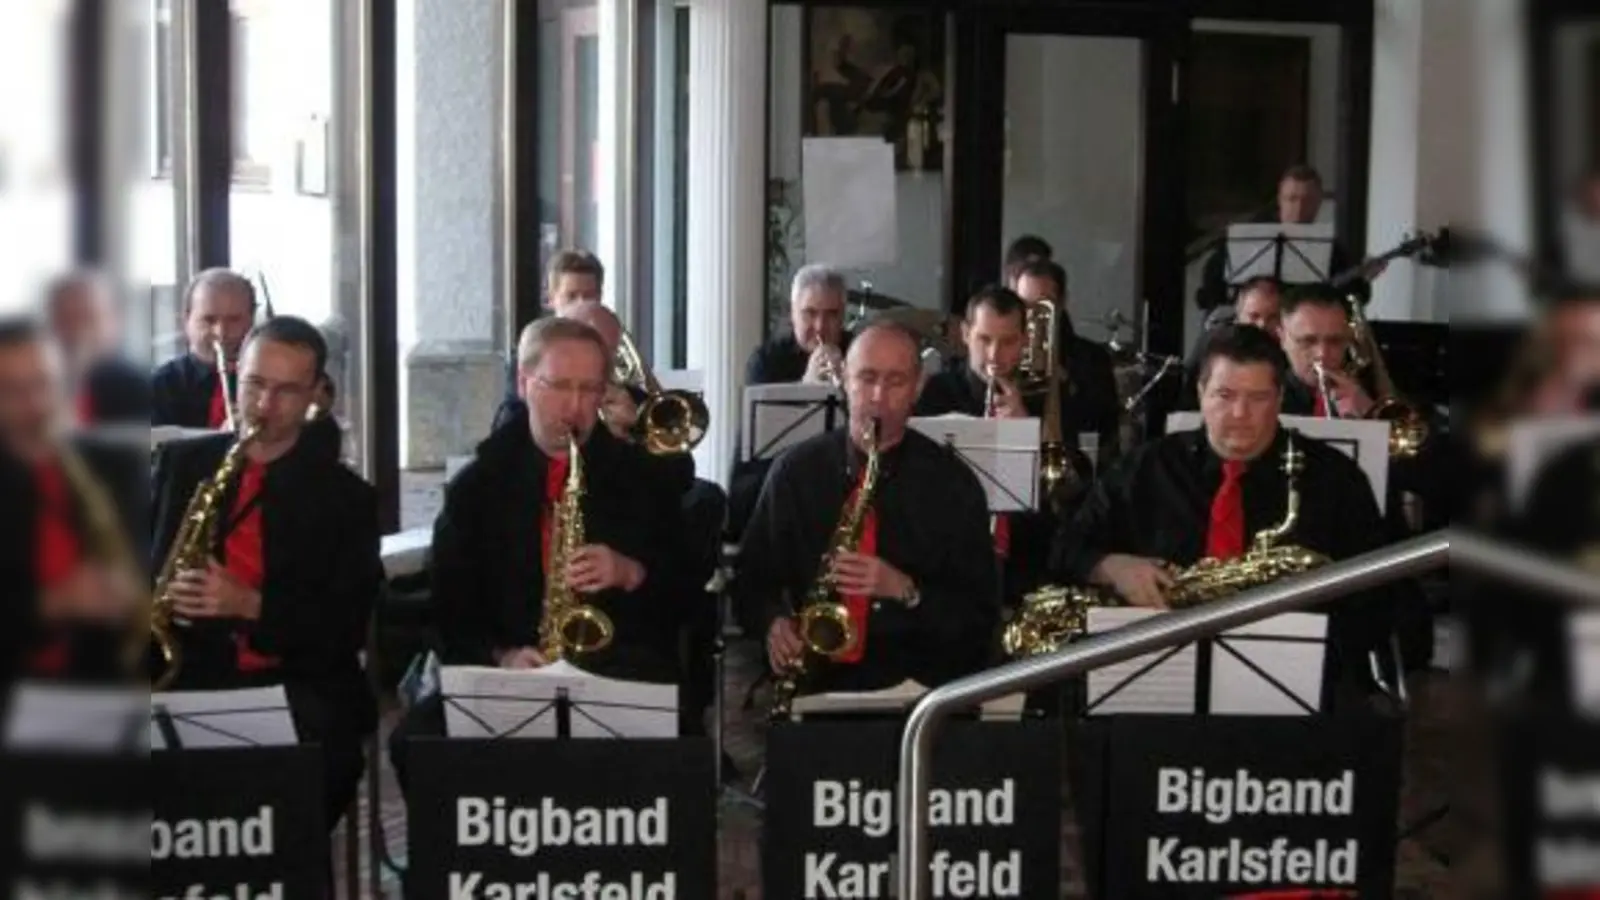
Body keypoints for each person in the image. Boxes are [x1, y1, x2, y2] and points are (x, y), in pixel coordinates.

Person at [390, 318, 684, 785]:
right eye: (560, 386)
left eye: (590, 389)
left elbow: (685, 593)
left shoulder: (643, 479)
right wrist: (500, 656)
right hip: (506, 672)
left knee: (677, 741)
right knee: (415, 743)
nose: (575, 406)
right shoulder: (476, 487)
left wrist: (632, 573)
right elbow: (449, 610)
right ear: (524, 384)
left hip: (617, 669)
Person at [1050, 324, 1395, 708]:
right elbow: (1064, 548)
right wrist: (1109, 566)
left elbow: (1379, 599)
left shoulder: (1334, 478)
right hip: (1154, 683)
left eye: (1258, 397)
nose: (1240, 414)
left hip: (1298, 688)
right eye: (1224, 395)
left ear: (1280, 397)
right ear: (1200, 393)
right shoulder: (1145, 469)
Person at [150, 316, 379, 830]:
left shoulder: (346, 499)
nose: (263, 405)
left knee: (315, 773)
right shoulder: (181, 465)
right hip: (186, 670)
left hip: (298, 682)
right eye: (254, 384)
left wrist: (250, 604)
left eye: (285, 391)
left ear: (316, 396)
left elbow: (344, 627)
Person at [736, 321, 999, 694]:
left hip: (922, 686)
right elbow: (750, 580)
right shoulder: (796, 472)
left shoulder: (952, 484)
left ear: (917, 388)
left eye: (895, 382)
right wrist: (772, 623)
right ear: (844, 379)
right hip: (818, 680)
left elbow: (979, 617)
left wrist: (905, 590)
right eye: (867, 378)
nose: (878, 396)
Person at [915, 286, 1094, 600]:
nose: (995, 355)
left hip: (1027, 556)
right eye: (984, 340)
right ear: (965, 334)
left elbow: (1071, 490)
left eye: (1008, 342)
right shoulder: (935, 395)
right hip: (951, 553)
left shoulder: (1047, 398)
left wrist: (1027, 431)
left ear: (1025, 341)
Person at [0, 316, 146, 682]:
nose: (33, 404)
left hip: (96, 684)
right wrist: (50, 604)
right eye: (11, 390)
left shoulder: (111, 467)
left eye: (42, 384)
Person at [1194, 165, 1370, 313]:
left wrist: (1364, 279)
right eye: (1292, 199)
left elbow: (1356, 297)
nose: (1299, 208)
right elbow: (1213, 274)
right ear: (1280, 199)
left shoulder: (1330, 248)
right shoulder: (1254, 235)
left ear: (1318, 202)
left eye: (1307, 200)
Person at [1007, 258, 1121, 465]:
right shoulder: (1007, 351)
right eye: (1025, 305)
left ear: (1061, 303)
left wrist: (1066, 383)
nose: (1033, 315)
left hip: (1075, 466)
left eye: (1044, 305)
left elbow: (1105, 426)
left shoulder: (1092, 358)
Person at [497, 250, 608, 411]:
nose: (581, 305)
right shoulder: (529, 352)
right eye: (571, 296)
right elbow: (510, 418)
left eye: (589, 296)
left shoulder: (613, 346)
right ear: (551, 299)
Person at [151, 268, 258, 428]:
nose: (221, 333)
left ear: (251, 320)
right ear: (186, 320)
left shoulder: (268, 383)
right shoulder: (159, 386)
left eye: (234, 320)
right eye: (209, 320)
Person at [41, 270, 149, 425]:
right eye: (64, 319)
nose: (76, 331)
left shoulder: (139, 388)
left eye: (87, 319)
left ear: (114, 322)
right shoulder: (29, 388)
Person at [1178, 276, 1285, 409]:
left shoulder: (1289, 350)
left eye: (1272, 318)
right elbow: (1188, 393)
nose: (1262, 325)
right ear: (1238, 316)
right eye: (1254, 316)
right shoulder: (1212, 344)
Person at [1276, 285, 1381, 418]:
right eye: (1308, 341)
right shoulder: (1266, 398)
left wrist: (1370, 416)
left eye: (1335, 341)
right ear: (1282, 338)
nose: (1322, 353)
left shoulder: (1371, 392)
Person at [745, 264, 851, 386]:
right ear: (792, 313)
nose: (820, 327)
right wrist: (806, 386)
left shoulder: (860, 353)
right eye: (810, 313)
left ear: (843, 315)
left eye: (831, 315)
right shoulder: (766, 362)